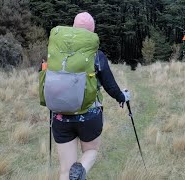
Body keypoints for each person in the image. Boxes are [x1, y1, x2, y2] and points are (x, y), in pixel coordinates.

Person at [47, 12, 130, 180]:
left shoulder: (56, 52)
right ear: (91, 32)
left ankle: (74, 175)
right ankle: (81, 170)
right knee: (91, 151)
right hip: (89, 116)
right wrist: (122, 97)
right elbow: (110, 86)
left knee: (65, 170)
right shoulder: (96, 55)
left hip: (60, 117)